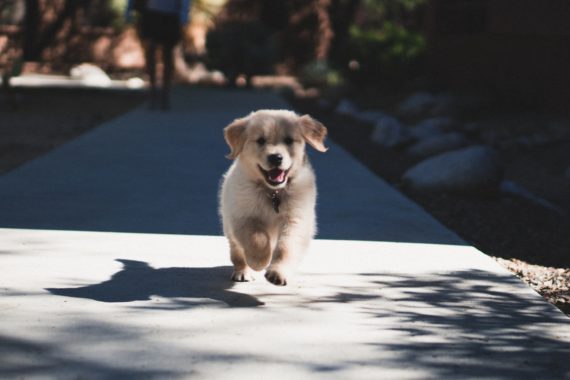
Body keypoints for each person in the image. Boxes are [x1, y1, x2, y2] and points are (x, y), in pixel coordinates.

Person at [126, 0, 191, 110]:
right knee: (150, 53)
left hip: (170, 15)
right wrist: (128, 9)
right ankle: (152, 91)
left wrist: (184, 15)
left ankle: (165, 94)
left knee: (167, 55)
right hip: (151, 14)